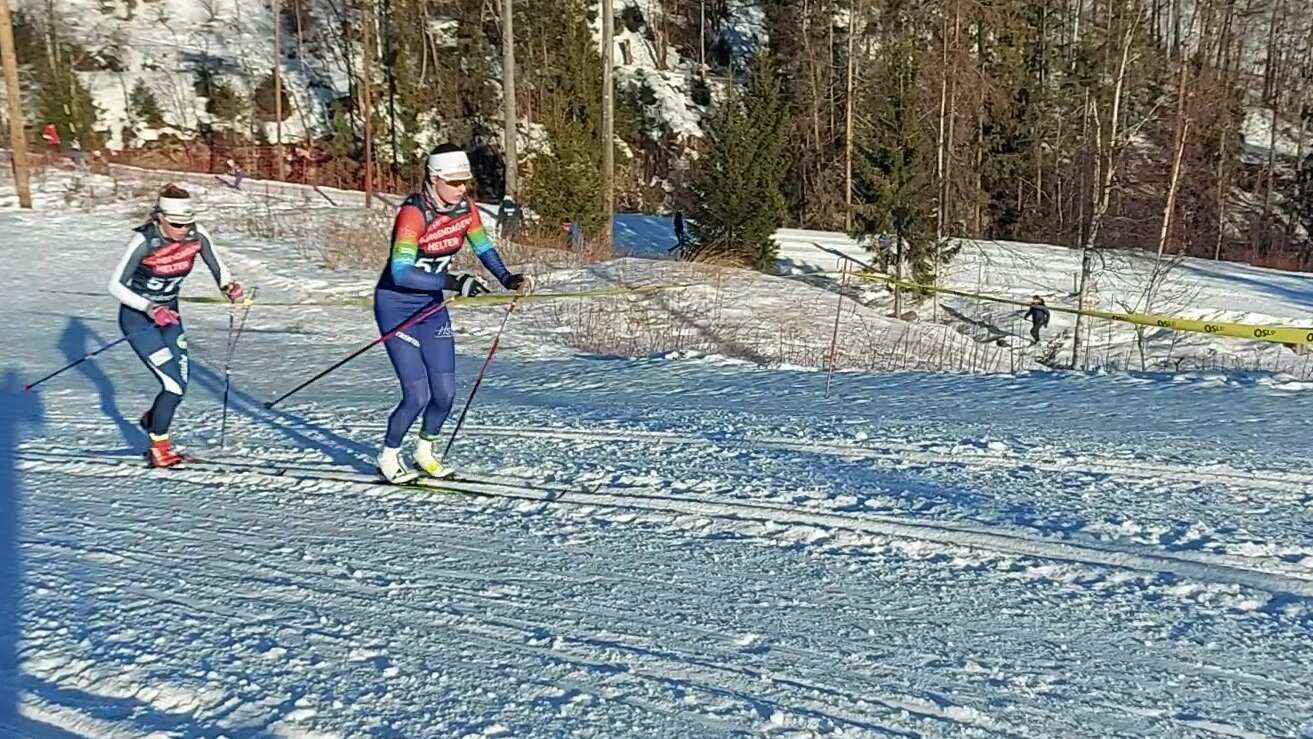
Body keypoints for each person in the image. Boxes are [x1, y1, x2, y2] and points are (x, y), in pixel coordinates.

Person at [373, 144, 531, 482]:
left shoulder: (466, 209)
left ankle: (424, 452)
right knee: (417, 395)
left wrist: (506, 278)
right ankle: (388, 455)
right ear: (434, 179)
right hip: (396, 308)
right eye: (454, 182)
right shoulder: (414, 213)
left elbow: (483, 247)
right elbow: (401, 272)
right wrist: (454, 281)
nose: (461, 188)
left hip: (431, 306)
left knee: (445, 393)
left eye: (465, 182)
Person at [107, 185, 245, 467]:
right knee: (172, 386)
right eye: (176, 224)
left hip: (170, 317)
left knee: (179, 385)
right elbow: (114, 286)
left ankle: (153, 420)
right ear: (160, 218)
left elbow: (217, 265)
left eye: (187, 223)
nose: (183, 230)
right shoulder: (144, 240)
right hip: (139, 319)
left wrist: (228, 286)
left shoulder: (197, 234)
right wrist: (149, 307)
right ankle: (159, 448)